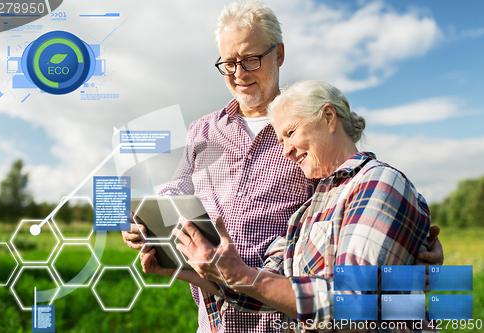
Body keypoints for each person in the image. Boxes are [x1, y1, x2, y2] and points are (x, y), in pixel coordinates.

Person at [124, 1, 443, 332]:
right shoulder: (202, 130)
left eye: (250, 59)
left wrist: (406, 247)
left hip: (285, 318)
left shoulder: (328, 154)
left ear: (278, 55)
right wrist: (143, 223)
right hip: (218, 316)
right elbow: (175, 192)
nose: (239, 73)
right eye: (229, 63)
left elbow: (361, 203)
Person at [166, 80, 436, 332]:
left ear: (328, 117)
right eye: (281, 141)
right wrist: (184, 268)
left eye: (291, 133)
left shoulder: (379, 183)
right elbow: (262, 291)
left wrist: (238, 274)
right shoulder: (307, 211)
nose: (286, 150)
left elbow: (353, 303)